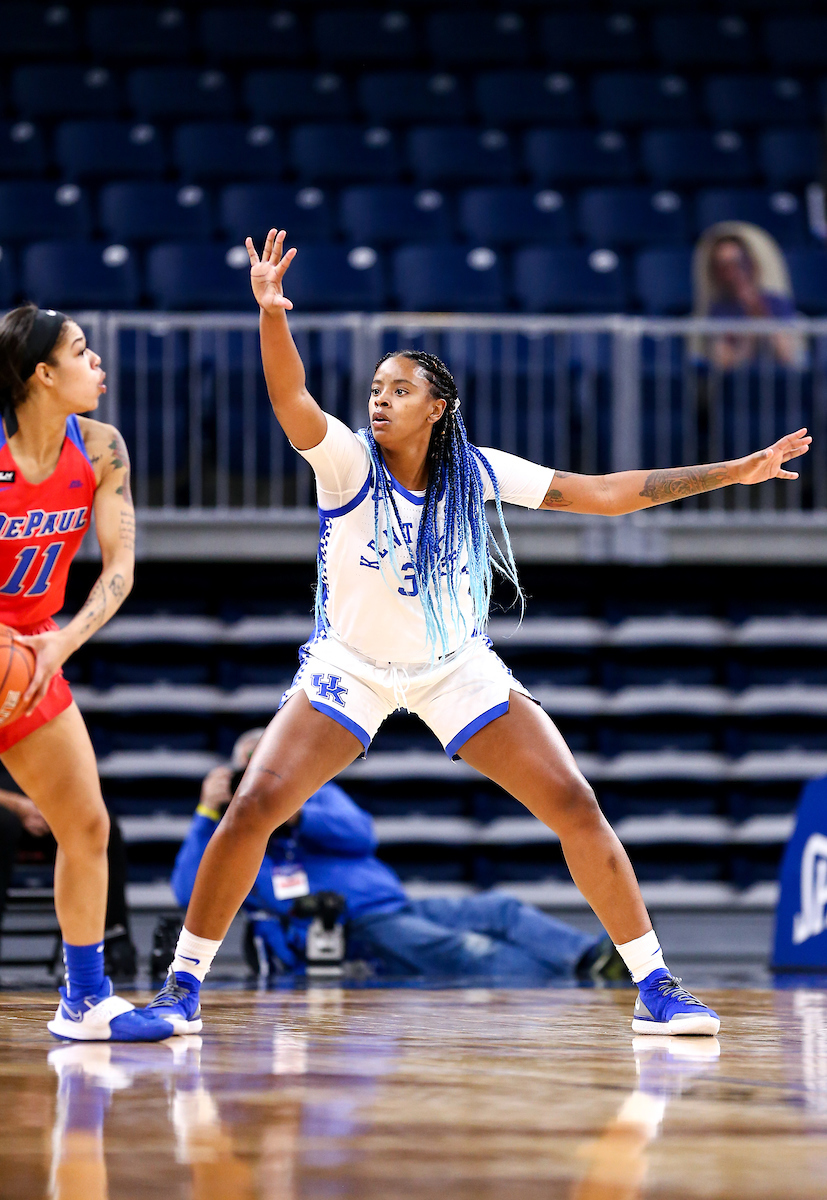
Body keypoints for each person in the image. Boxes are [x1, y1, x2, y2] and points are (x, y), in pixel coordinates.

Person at [146, 228, 810, 1039]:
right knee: (251, 806)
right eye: (374, 388)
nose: (378, 398)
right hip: (350, 666)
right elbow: (291, 401)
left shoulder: (479, 471)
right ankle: (180, 988)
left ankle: (655, 983)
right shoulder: (347, 464)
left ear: (438, 407)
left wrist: (731, 471)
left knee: (573, 801)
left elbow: (604, 495)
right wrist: (272, 315)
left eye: (398, 388)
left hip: (454, 667)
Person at [0, 304, 171, 1041]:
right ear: (42, 373)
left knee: (87, 824)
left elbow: (121, 569)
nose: (96, 362)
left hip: (38, 648)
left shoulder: (101, 447)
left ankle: (86, 999)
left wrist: (57, 646)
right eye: (80, 351)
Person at [172, 730, 626, 984]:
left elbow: (361, 835)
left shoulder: (313, 794)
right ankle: (574, 981)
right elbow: (188, 890)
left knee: (500, 909)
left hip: (393, 903)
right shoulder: (232, 831)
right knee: (470, 952)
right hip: (357, 922)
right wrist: (207, 813)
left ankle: (593, 957)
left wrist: (296, 814)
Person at [0, 773, 138, 981]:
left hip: (47, 804)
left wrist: (52, 805)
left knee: (98, 825)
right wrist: (18, 805)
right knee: (4, 824)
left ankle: (113, 941)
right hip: (7, 807)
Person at [693, 221, 801, 370]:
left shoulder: (777, 302)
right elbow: (726, 365)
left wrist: (761, 312)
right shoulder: (719, 309)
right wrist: (750, 330)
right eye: (723, 266)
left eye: (738, 263)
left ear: (752, 263)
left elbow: (787, 357)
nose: (732, 273)